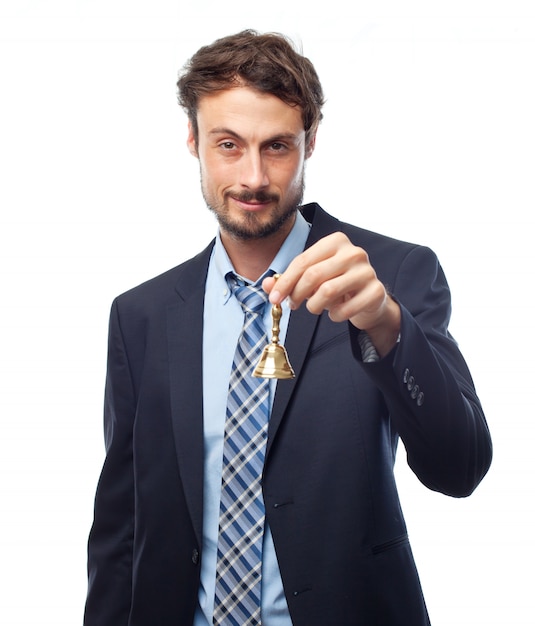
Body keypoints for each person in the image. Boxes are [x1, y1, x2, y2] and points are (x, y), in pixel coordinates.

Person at [84, 30, 492, 626]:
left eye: (277, 147)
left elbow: (460, 468)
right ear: (193, 141)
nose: (253, 178)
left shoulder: (394, 274)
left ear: (311, 142)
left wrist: (385, 325)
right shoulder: (140, 315)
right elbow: (122, 527)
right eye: (229, 145)